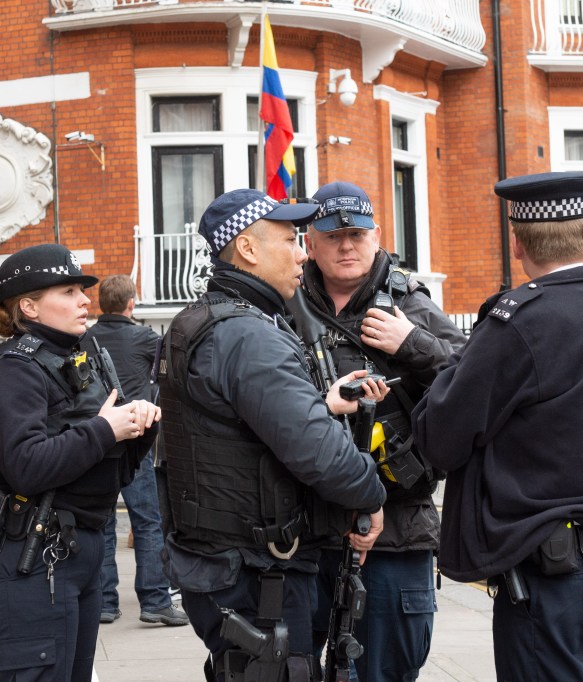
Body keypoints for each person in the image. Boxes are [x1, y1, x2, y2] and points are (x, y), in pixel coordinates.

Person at [411, 171, 583, 681]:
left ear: (517, 243)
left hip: (556, 579)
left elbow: (440, 435)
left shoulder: (520, 322)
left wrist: (422, 355)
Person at [159, 188, 389, 682]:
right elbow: (320, 454)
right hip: (257, 571)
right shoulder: (249, 334)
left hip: (224, 562)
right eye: (290, 239)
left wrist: (319, 402)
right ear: (247, 248)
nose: (303, 253)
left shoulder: (203, 321)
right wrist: (370, 494)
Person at [0, 243, 161, 682]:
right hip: (28, 558)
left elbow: (113, 470)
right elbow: (27, 466)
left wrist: (138, 427)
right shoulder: (11, 371)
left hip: (75, 549)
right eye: (69, 291)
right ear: (29, 306)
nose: (84, 300)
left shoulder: (82, 358)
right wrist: (104, 429)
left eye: (82, 290)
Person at [297, 181, 466, 681]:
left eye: (356, 234)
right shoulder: (286, 307)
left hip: (396, 531)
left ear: (376, 237)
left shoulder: (410, 304)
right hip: (308, 530)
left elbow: (473, 385)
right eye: (332, 236)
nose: (345, 246)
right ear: (310, 243)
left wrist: (413, 343)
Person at [82, 274, 188, 627]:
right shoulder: (145, 338)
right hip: (135, 438)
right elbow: (170, 378)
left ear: (101, 304)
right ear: (131, 304)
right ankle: (155, 600)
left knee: (104, 523)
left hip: (97, 439)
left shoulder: (85, 339)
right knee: (147, 523)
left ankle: (105, 603)